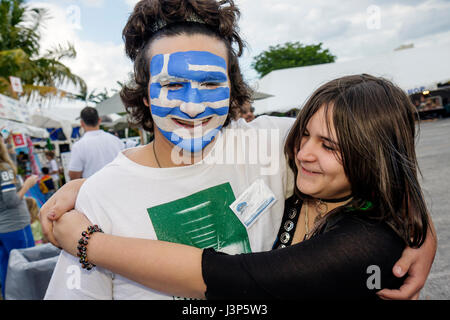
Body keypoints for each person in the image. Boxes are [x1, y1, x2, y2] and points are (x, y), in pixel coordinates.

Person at [41, 0, 436, 300]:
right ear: (145, 94)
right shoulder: (98, 198)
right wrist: (88, 187)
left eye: (211, 85)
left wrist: (421, 233)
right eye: (173, 85)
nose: (193, 106)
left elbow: (376, 159)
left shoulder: (276, 143)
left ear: (232, 89)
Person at [0, 139, 39, 298]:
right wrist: (27, 185)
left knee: (6, 268)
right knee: (25, 266)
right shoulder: (4, 170)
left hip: (3, 227)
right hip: (15, 225)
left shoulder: (6, 168)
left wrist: (9, 144)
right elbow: (11, 201)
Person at [68, 107, 125, 180]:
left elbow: (74, 175)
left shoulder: (79, 146)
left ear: (82, 123)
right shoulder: (116, 140)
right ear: (99, 120)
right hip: (118, 184)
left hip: (94, 188)